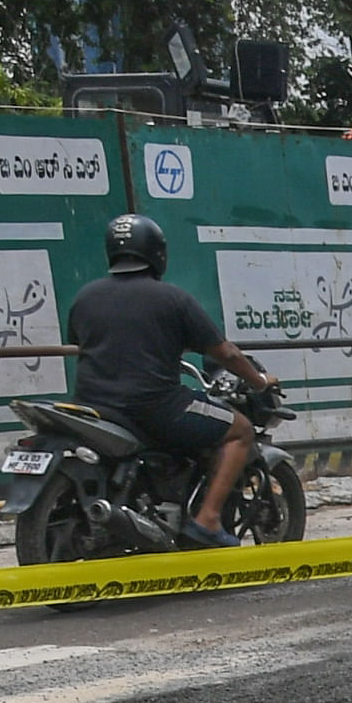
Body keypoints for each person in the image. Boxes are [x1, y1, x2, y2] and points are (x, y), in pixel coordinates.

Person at [63, 215, 263, 549]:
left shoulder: (85, 297)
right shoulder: (172, 299)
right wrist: (258, 380)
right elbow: (226, 353)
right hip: (156, 407)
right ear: (157, 253)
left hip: (93, 406)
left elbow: (80, 343)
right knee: (240, 429)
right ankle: (208, 520)